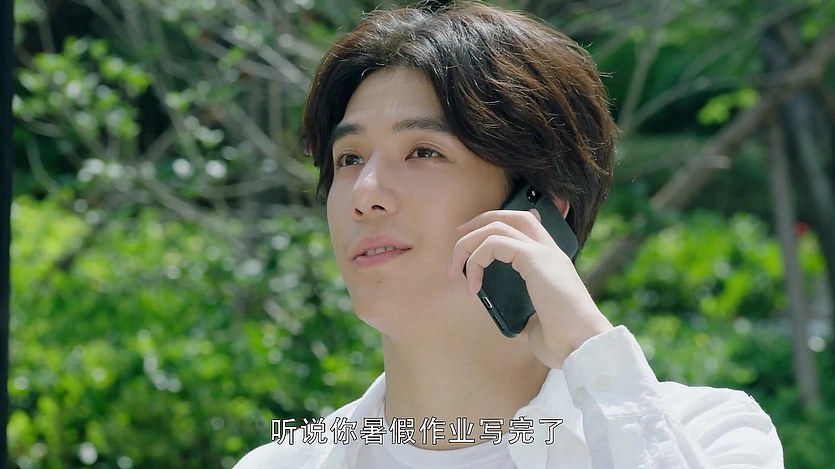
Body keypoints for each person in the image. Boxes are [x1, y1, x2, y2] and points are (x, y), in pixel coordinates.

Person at [235, 1, 784, 467]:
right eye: (349, 158)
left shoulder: (709, 435)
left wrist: (588, 348)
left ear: (539, 205)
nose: (365, 192)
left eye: (423, 151)